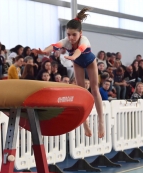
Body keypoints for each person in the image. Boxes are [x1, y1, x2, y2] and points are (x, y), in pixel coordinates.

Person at [32, 7, 104, 138]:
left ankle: (101, 121)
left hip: (89, 61)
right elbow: (54, 46)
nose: (70, 38)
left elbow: (79, 51)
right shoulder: (67, 40)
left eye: (74, 35)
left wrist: (73, 57)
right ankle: (85, 123)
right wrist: (44, 51)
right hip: (77, 62)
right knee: (81, 90)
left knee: (94, 89)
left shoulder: (84, 40)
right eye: (68, 34)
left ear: (80, 33)